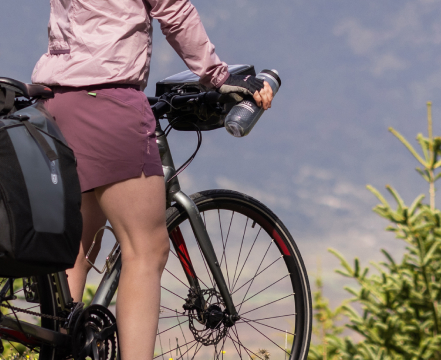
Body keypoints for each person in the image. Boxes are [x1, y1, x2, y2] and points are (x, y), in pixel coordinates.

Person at [32, 0, 273, 356]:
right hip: (109, 102)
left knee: (78, 247)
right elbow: (174, 11)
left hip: (56, 101)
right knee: (147, 249)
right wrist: (220, 77)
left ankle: (57, 352)